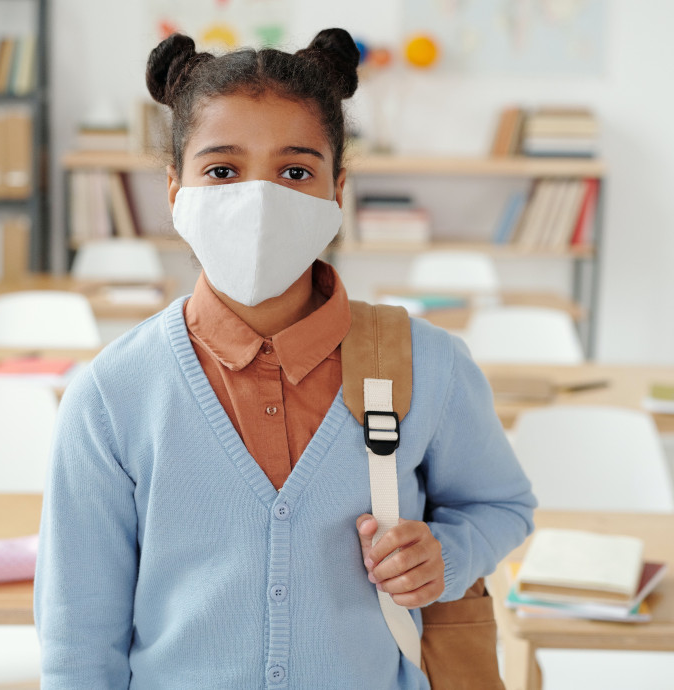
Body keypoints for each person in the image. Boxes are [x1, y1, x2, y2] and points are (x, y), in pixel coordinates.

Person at [34, 28, 536, 689]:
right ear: (174, 190)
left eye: (295, 171)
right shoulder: (111, 394)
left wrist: (446, 553)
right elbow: (78, 643)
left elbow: (502, 506)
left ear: (338, 190)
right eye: (222, 170)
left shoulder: (429, 363)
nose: (259, 199)